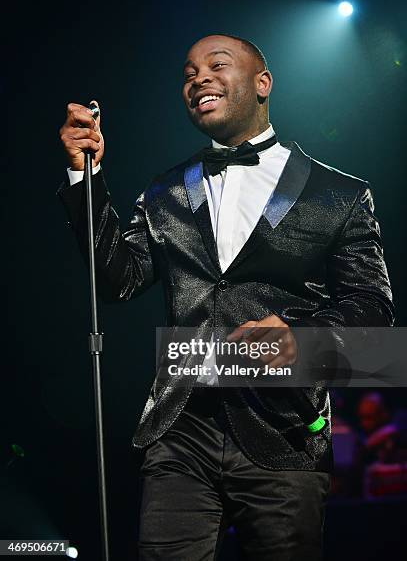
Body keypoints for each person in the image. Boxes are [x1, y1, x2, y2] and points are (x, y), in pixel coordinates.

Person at [58, 34, 394, 560]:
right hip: (181, 424)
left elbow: (374, 318)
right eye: (188, 74)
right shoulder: (165, 190)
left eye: (217, 65)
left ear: (262, 84)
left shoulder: (340, 194)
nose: (198, 79)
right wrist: (86, 174)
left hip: (285, 431)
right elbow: (116, 279)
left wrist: (302, 339)